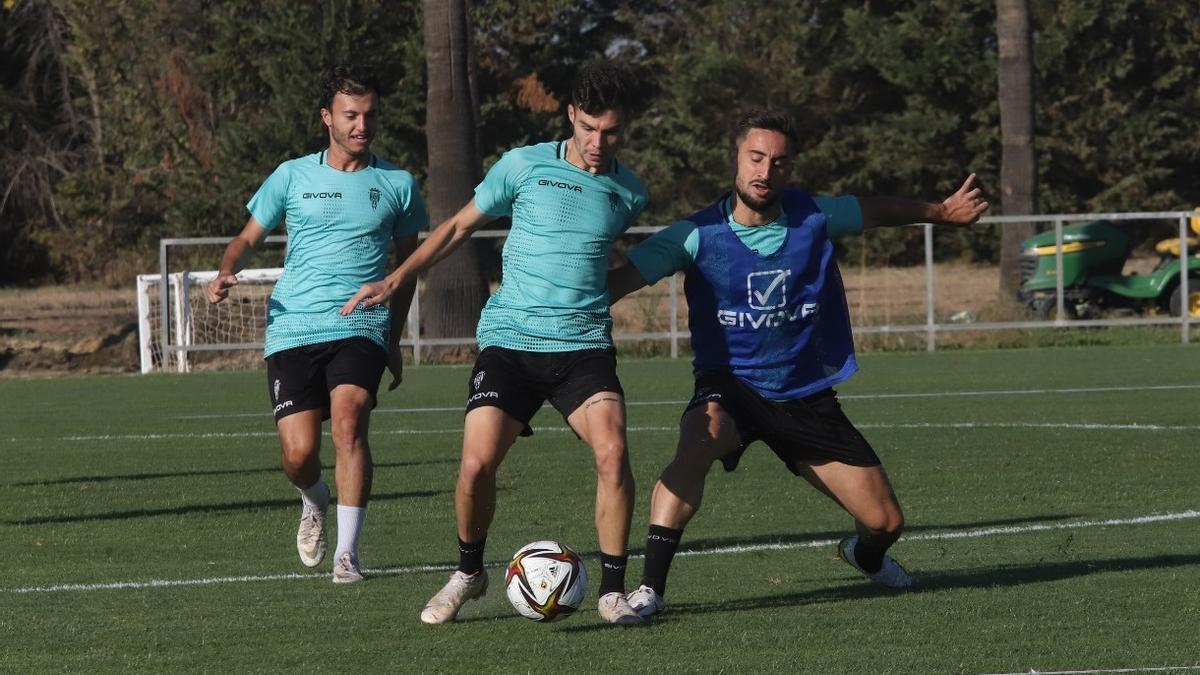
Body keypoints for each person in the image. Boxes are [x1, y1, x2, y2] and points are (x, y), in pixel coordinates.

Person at [606, 109, 988, 617]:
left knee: (886, 523)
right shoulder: (695, 235)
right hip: (732, 387)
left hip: (805, 394)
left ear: (790, 169)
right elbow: (622, 281)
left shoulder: (814, 218)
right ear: (736, 160)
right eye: (755, 157)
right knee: (699, 439)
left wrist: (939, 211)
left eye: (778, 162)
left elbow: (873, 209)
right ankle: (649, 590)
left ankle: (862, 556)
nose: (765, 171)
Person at [340, 62, 650, 625]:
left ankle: (611, 592)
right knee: (476, 465)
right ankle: (469, 573)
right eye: (589, 128)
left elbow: (599, 263)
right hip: (510, 343)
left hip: (582, 348)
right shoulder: (523, 165)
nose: (599, 142)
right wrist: (396, 277)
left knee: (613, 452)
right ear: (571, 117)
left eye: (612, 132)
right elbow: (458, 227)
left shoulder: (629, 192)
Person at [207, 64, 428, 583]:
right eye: (351, 115)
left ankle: (348, 554)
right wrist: (226, 269)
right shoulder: (291, 175)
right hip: (293, 326)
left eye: (370, 115)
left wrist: (393, 339)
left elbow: (407, 271)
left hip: (360, 324)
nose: (362, 126)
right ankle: (314, 498)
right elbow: (246, 239)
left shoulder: (397, 183)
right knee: (299, 454)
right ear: (326, 117)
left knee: (350, 423)